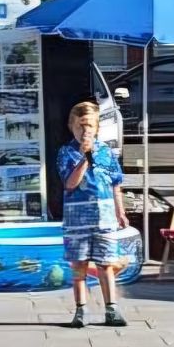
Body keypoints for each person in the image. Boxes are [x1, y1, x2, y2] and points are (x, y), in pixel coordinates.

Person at [56, 100, 129, 328]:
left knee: (106, 263)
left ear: (97, 127)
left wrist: (120, 210)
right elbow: (69, 183)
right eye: (81, 125)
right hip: (77, 219)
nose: (85, 130)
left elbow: (116, 183)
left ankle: (111, 309)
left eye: (90, 125)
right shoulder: (66, 153)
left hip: (104, 216)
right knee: (79, 265)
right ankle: (81, 310)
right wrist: (84, 159)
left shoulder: (107, 152)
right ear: (72, 126)